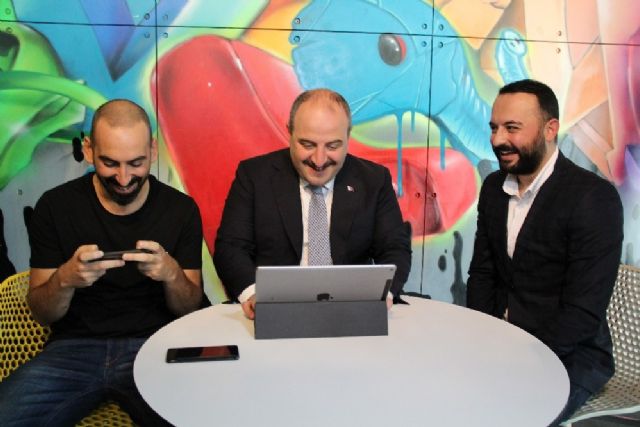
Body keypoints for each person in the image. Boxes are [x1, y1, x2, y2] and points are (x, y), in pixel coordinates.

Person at [0, 99, 203, 426]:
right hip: (72, 351)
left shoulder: (181, 210)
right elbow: (42, 312)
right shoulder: (55, 207)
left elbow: (189, 307)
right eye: (110, 163)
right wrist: (65, 279)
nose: (123, 177)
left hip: (154, 348)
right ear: (89, 150)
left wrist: (171, 274)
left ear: (152, 150)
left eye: (136, 163)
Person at [466, 79, 623, 425]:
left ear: (550, 129)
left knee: (504, 416)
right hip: (501, 343)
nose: (498, 140)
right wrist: (481, 339)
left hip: (570, 355)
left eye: (512, 128)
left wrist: (519, 359)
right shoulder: (493, 188)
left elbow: (582, 313)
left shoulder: (592, 198)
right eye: (494, 128)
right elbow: (482, 274)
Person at [214, 88, 411, 319]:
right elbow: (231, 247)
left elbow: (395, 248)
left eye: (333, 146)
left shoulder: (374, 180)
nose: (319, 160)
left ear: (348, 137)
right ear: (289, 132)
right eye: (308, 144)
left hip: (351, 310)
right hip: (275, 309)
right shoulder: (254, 176)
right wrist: (254, 294)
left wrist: (383, 293)